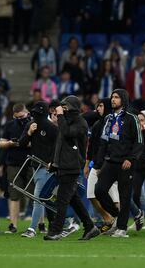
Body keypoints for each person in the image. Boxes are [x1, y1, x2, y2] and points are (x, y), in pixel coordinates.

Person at [45, 96, 100, 241]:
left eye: (65, 106)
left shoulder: (81, 122)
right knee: (74, 199)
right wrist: (54, 162)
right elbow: (60, 144)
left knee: (62, 200)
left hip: (72, 166)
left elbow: (67, 133)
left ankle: (56, 231)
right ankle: (90, 227)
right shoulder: (68, 121)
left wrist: (61, 116)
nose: (62, 109)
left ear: (73, 108)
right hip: (64, 165)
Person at [94, 89, 143, 238]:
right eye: (112, 97)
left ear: (123, 100)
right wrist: (97, 164)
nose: (113, 100)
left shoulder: (132, 118)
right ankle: (118, 216)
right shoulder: (108, 118)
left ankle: (122, 229)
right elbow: (103, 142)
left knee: (125, 196)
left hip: (125, 163)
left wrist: (131, 158)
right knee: (99, 190)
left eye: (116, 97)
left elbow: (139, 142)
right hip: (110, 162)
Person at [18, 101, 58, 238]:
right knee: (45, 199)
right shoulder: (31, 125)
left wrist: (53, 162)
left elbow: (58, 146)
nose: (36, 116)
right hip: (35, 166)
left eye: (38, 114)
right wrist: (29, 133)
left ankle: (32, 229)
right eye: (35, 113)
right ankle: (62, 224)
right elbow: (21, 143)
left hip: (45, 167)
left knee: (38, 198)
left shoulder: (52, 128)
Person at [84, 98, 119, 231]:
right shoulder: (98, 124)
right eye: (97, 106)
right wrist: (87, 164)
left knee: (113, 195)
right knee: (91, 195)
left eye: (100, 106)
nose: (97, 109)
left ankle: (120, 223)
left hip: (109, 163)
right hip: (96, 163)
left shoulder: (114, 123)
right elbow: (91, 146)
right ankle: (108, 219)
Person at [0, 103, 33, 234]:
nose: (20, 119)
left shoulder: (34, 123)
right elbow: (1, 143)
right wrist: (10, 143)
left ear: (27, 112)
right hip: (13, 163)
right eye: (17, 117)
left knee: (35, 195)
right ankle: (13, 225)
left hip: (31, 163)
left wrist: (27, 143)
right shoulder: (9, 125)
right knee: (14, 195)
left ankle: (39, 224)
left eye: (22, 116)